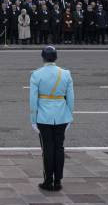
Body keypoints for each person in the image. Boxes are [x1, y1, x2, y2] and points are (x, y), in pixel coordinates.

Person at [29, 45, 74, 191]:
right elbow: (71, 98)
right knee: (59, 148)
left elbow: (33, 99)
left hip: (44, 116)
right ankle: (58, 180)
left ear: (43, 57)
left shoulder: (37, 74)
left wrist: (33, 118)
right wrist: (69, 115)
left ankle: (48, 180)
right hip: (61, 114)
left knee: (47, 149)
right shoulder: (66, 74)